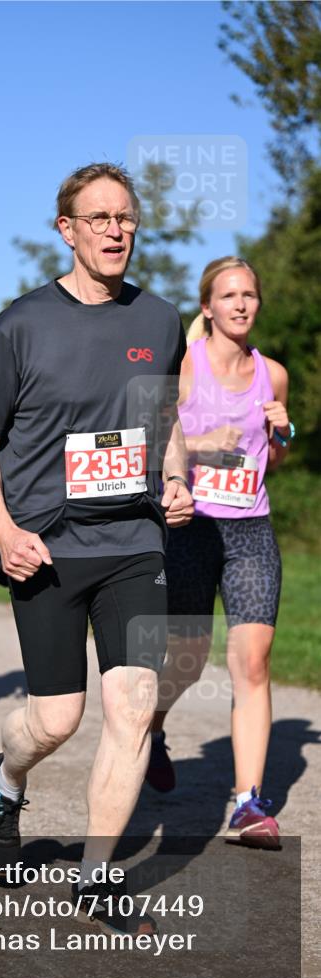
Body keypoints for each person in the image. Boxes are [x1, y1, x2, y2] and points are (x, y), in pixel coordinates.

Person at [0, 163, 193, 935]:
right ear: (67, 230)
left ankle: (95, 879)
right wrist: (3, 533)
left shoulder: (158, 320)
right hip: (46, 547)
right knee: (54, 721)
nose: (115, 231)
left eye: (125, 217)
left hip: (132, 540)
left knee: (134, 705)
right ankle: (6, 779)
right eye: (99, 219)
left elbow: (164, 419)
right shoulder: (21, 324)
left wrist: (174, 478)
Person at [145, 256, 291, 849]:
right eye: (228, 295)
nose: (240, 304)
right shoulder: (183, 365)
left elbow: (270, 460)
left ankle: (248, 804)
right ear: (207, 306)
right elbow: (154, 440)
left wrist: (282, 433)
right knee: (186, 658)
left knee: (252, 663)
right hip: (191, 528)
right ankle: (152, 729)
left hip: (251, 531)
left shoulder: (272, 374)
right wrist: (205, 443)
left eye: (249, 295)